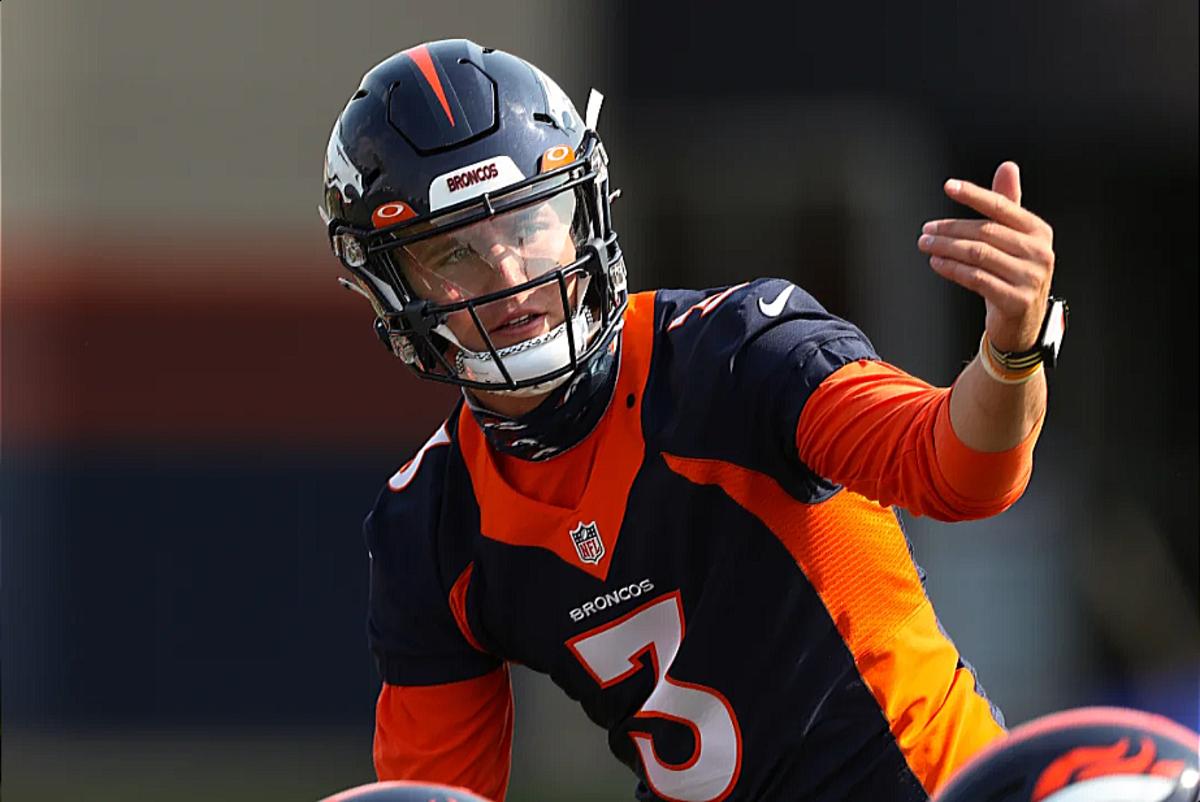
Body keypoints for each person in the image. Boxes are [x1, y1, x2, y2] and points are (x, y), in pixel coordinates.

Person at [319, 39, 1068, 802]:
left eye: (526, 224)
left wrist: (1012, 352)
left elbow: (960, 472)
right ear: (390, 286)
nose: (510, 277)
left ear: (580, 211)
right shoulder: (432, 524)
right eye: (452, 255)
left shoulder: (740, 356)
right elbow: (429, 790)